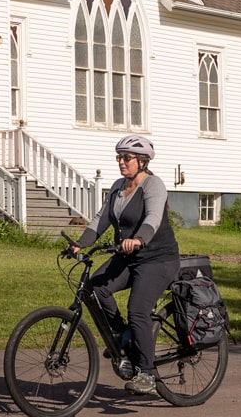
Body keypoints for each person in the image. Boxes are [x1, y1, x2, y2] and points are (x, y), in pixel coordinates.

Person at [68, 133, 181, 395]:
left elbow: (153, 217)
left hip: (157, 259)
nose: (121, 162)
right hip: (128, 257)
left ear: (142, 161)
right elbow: (100, 220)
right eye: (119, 157)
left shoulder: (153, 185)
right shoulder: (119, 186)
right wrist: (79, 243)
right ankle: (123, 337)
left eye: (127, 157)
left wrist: (138, 239)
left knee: (137, 309)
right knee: (95, 288)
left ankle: (147, 375)